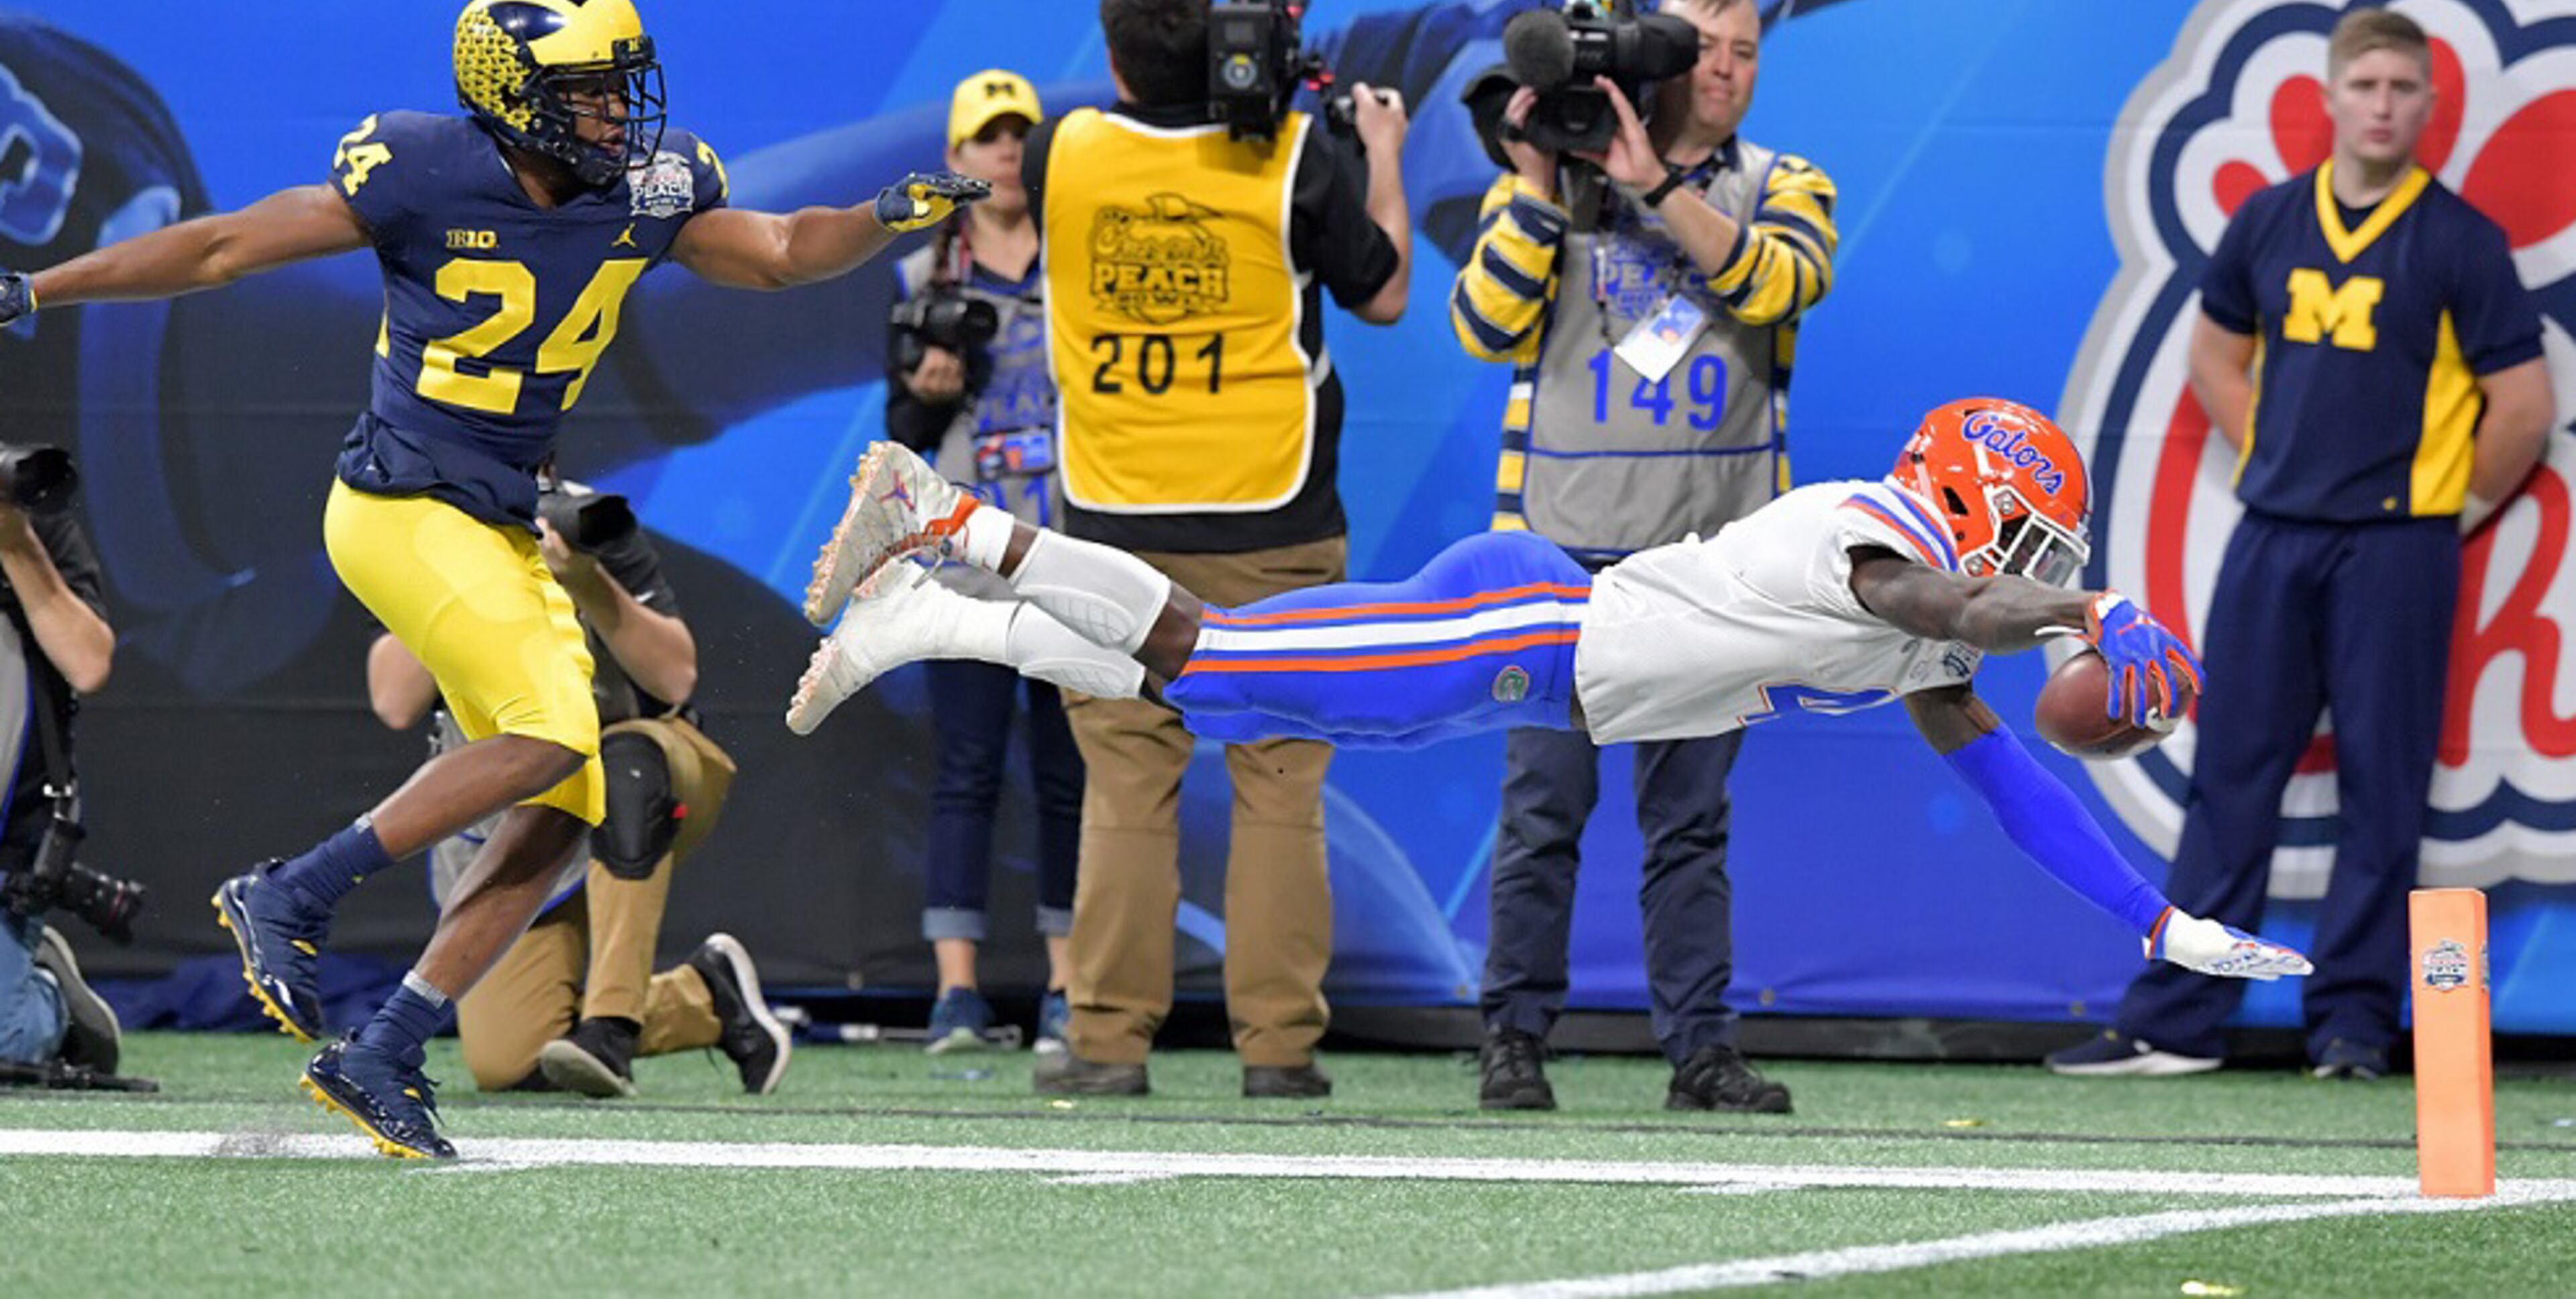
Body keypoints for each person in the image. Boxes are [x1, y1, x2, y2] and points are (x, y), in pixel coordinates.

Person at [0, 0, 981, 1159]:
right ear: (511, 94)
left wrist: (881, 218)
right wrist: (42, 289)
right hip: (399, 507)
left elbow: (779, 246)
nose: (622, 110)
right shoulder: (423, 169)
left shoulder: (647, 186)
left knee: (567, 800)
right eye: (591, 90)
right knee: (556, 735)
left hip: (500, 515)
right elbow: (219, 253)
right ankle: (290, 890)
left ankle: (389, 1043)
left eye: (624, 84)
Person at [789, 401, 2316, 1031]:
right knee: (1205, 653)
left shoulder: (1930, 599)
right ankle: (949, 522)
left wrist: (2152, 915)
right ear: (1969, 502)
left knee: (1232, 684)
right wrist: (2082, 611)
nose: (2038, 572)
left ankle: (941, 618)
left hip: (1527, 655)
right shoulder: (1879, 536)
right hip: (1532, 630)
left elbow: (2002, 777)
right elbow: (1963, 612)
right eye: (2030, 540)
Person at [805, 0, 1411, 1101]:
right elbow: (1381, 294)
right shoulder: (1291, 153)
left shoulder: (1060, 152)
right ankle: (1279, 1050)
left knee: (1128, 780)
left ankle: (1107, 1042)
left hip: (1117, 522)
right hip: (1275, 512)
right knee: (1281, 775)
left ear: (1116, 55)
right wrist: (1375, 147)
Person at [2047, 8, 2553, 1083]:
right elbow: (2213, 353)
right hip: (2274, 538)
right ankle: (2180, 1018)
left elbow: (2524, 406)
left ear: (2427, 103)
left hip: (2397, 553)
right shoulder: (2271, 220)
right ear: (2329, 95)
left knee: (2384, 789)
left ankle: (2353, 1026)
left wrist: (2445, 511)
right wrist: (2270, 454)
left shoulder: (2460, 240)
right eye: (2363, 83)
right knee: (2232, 775)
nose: (2381, 104)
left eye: (2401, 88)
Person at [1450, 0, 1837, 1116]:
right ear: (1656, 55)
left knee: (1690, 827)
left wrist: (1657, 185)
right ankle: (1512, 1038)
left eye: (1748, 50)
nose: (1726, 68)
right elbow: (1480, 326)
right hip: (1557, 562)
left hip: (1712, 570)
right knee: (1540, 817)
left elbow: (1780, 284)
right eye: (1705, 45)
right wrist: (1533, 186)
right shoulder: (1549, 184)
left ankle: (1700, 1052)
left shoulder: (1785, 182)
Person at [367, 469, 788, 1097]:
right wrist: (475, 570)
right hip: (513, 827)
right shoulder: (443, 537)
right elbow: (395, 701)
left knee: (627, 767)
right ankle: (706, 996)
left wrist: (588, 580)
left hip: (633, 778)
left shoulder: (589, 524)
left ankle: (613, 1029)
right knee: (509, 1061)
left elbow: (676, 679)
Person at [883, 70, 1081, 1055]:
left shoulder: (1083, 264)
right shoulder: (924, 279)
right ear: (954, 160)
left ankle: (1068, 990)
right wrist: (928, 388)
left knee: (1068, 775)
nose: (1006, 153)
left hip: (1073, 557)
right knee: (964, 772)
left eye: (1019, 137)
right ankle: (955, 994)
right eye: (987, 138)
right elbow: (901, 436)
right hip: (966, 564)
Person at [0, 472, 122, 1076]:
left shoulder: (32, 527)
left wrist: (16, 545)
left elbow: (89, 663)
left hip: (7, 847)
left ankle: (44, 993)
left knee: (7, 1043)